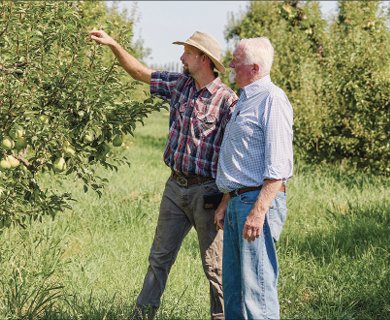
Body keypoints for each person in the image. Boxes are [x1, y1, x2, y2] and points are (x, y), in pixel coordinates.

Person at [89, 30, 238, 320]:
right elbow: (139, 72)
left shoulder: (228, 102)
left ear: (203, 59)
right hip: (175, 187)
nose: (181, 57)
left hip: (208, 193)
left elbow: (233, 156)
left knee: (215, 267)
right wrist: (114, 45)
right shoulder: (178, 85)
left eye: (187, 53)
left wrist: (227, 200)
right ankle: (142, 316)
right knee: (159, 258)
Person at [214, 37, 293, 319]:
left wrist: (259, 211)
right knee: (234, 291)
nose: (230, 65)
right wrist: (226, 200)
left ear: (254, 67)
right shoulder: (244, 100)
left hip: (257, 202)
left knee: (257, 293)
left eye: (236, 60)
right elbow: (239, 158)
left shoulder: (272, 99)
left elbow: (279, 166)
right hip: (238, 201)